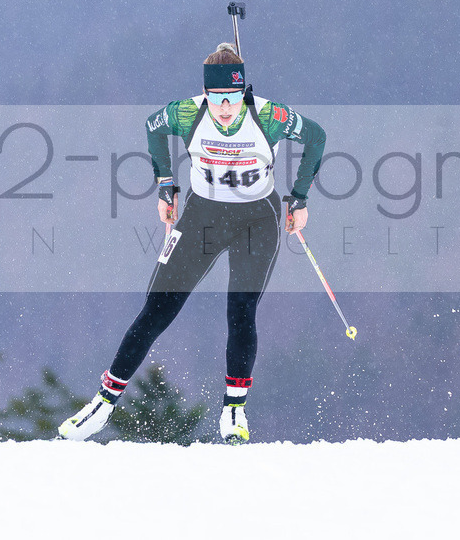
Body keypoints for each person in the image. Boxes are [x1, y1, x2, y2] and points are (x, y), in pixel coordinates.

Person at [59, 42, 326, 442]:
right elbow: (153, 127)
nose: (225, 107)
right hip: (203, 217)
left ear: (243, 91)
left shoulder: (269, 115)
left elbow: (316, 137)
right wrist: (165, 185)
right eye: (216, 97)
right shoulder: (187, 113)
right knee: (157, 308)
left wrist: (299, 198)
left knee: (241, 310)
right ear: (205, 93)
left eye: (232, 97)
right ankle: (103, 403)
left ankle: (234, 410)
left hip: (257, 219)